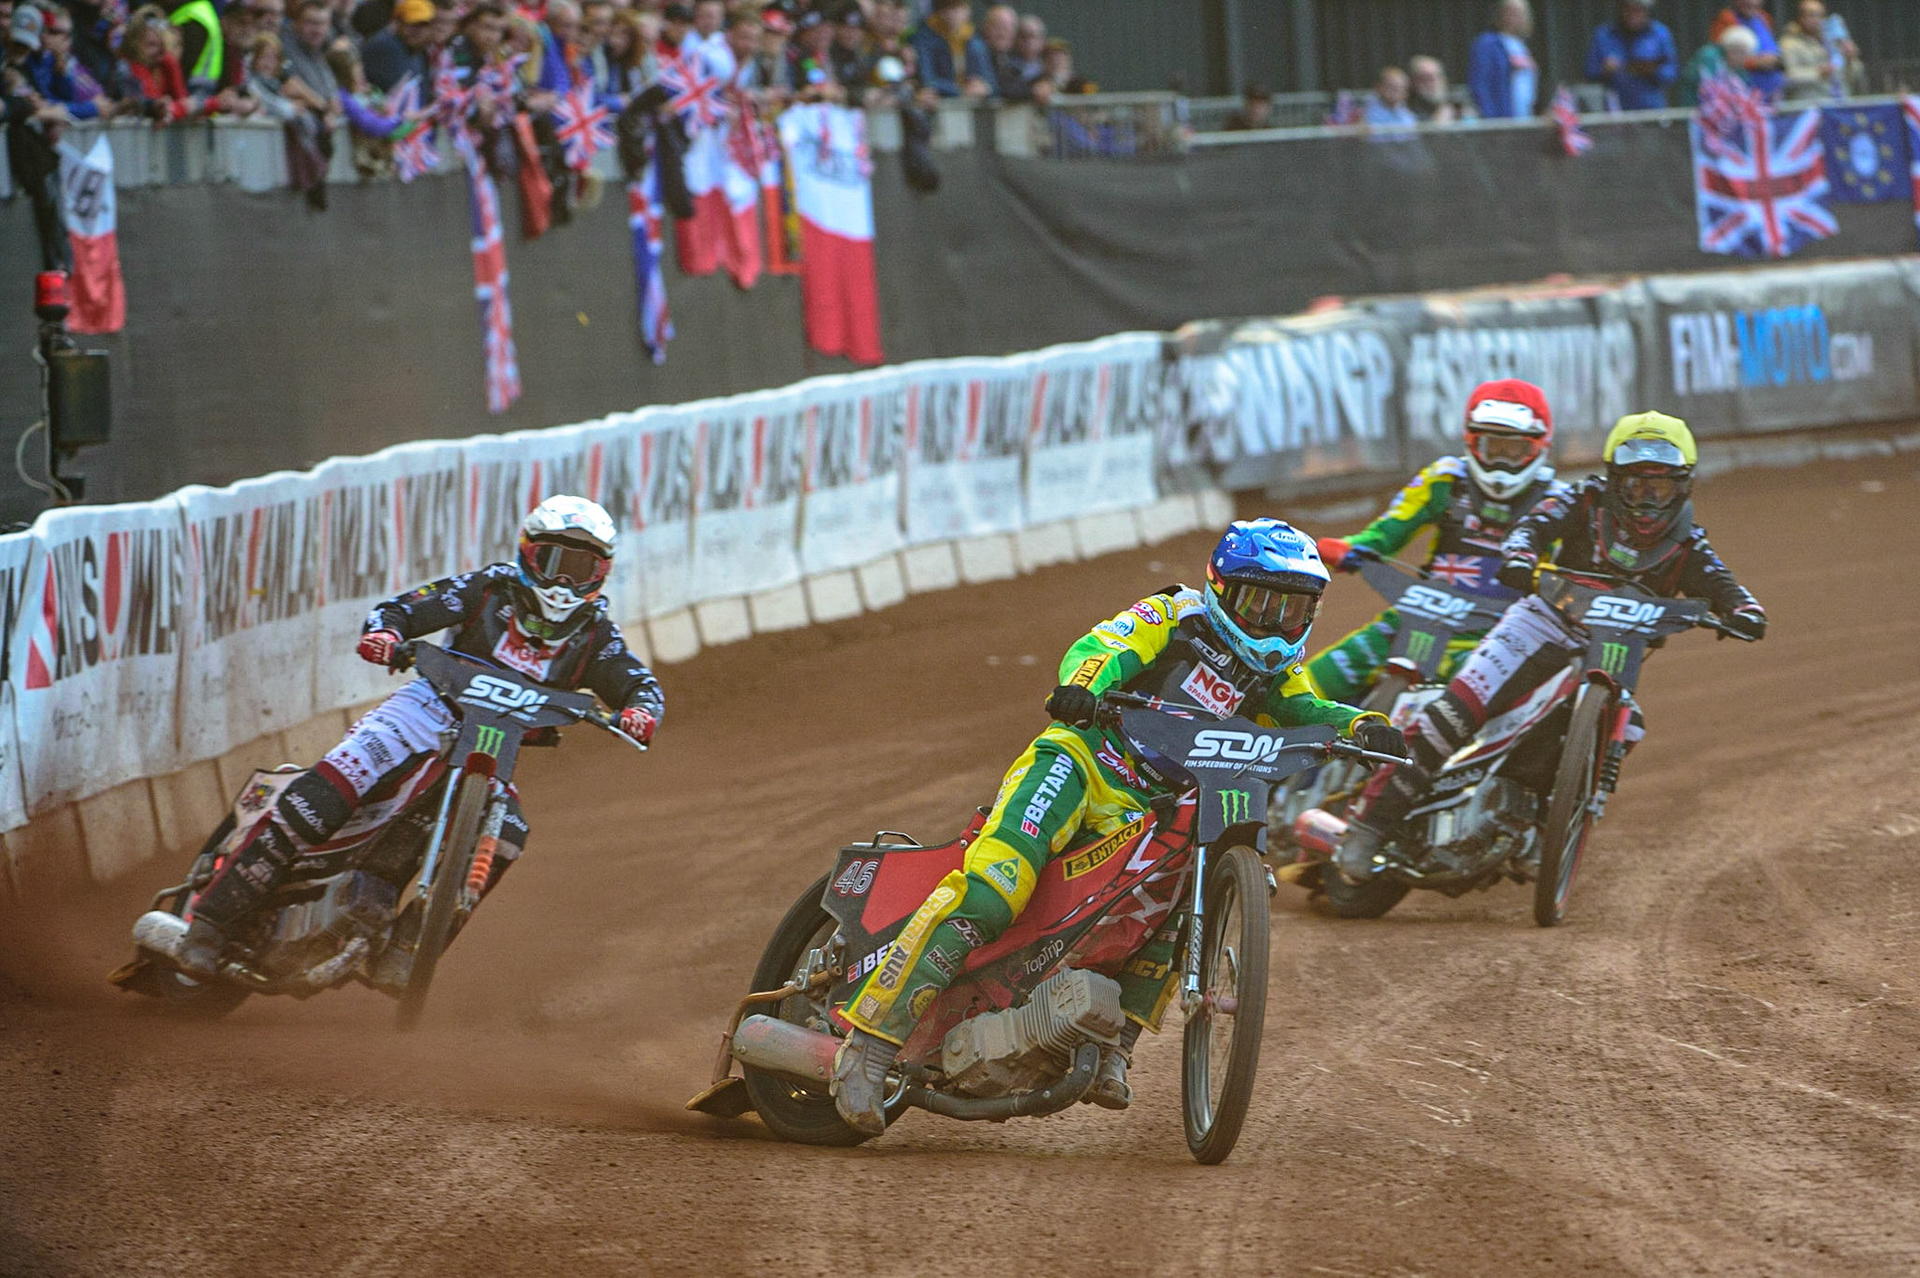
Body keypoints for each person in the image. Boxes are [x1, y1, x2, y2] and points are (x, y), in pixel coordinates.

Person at [829, 520, 1408, 1134]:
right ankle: (869, 1046)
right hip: (1083, 763)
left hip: (1155, 807)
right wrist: (1082, 689)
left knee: (1181, 897)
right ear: (1223, 588)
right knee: (994, 889)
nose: (1274, 621)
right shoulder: (1175, 614)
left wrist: (1361, 725)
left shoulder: (1273, 673)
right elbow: (1100, 650)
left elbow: (1305, 709)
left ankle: (1114, 1046)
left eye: (1292, 608)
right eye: (1261, 601)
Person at [176, 497, 665, 980]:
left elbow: (637, 681)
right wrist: (386, 633)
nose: (564, 581)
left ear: (601, 573)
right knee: (335, 784)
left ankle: (408, 950)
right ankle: (210, 924)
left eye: (581, 568)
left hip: (496, 743)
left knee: (509, 835)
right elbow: (406, 608)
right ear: (529, 554)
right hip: (426, 712)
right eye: (556, 562)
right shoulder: (488, 589)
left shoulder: (597, 636)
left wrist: (642, 710)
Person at [1332, 413, 1767, 884]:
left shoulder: (1688, 541)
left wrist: (1744, 609)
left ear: (1683, 486)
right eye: (1637, 486)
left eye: (1659, 489)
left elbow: (1722, 582)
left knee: (1629, 726)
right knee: (1454, 711)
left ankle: (1537, 827)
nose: (1646, 501)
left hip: (1610, 651)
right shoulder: (1582, 499)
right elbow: (1533, 525)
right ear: (1614, 479)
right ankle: (1367, 826)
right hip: (1541, 624)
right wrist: (1519, 553)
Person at [1307, 380, 1566, 706]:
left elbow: (1568, 576)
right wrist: (1352, 547)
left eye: (1513, 450)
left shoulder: (1558, 503)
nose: (1501, 461)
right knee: (1313, 683)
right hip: (1416, 617)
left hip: (1493, 640)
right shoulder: (1444, 479)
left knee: (1476, 711)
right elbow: (1389, 530)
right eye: (1492, 447)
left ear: (1539, 447)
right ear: (1472, 443)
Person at [1583, 0, 1677, 111]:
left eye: (1638, 10)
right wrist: (1605, 70)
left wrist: (1651, 70)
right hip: (1615, 110)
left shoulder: (1660, 34)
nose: (1633, 14)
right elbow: (1589, 71)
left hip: (1651, 108)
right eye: (1629, 9)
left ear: (1646, 11)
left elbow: (1671, 72)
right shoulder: (1604, 35)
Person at [1780, 0, 1862, 102]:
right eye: (1811, 15)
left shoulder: (1834, 41)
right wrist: (1818, 73)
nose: (1817, 20)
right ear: (1800, 17)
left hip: (1839, 106)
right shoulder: (1789, 43)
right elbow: (1788, 76)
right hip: (1810, 108)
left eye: (1821, 16)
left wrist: (1850, 59)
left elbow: (1853, 77)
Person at [1468, 0, 1536, 119]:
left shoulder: (1521, 45)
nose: (1514, 17)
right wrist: (1491, 118)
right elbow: (1479, 84)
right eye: (1509, 12)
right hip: (1501, 118)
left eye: (1519, 13)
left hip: (1524, 115)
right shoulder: (1487, 43)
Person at [910, 0, 988, 98]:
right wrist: (960, 90)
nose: (955, 14)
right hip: (942, 102)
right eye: (951, 9)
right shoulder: (924, 39)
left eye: (961, 8)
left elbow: (989, 79)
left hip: (971, 104)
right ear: (940, 12)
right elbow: (927, 79)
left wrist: (984, 87)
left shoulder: (974, 40)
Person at [1708, 0, 1783, 101]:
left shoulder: (1764, 18)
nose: (1751, 2)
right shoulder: (1726, 19)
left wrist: (1776, 61)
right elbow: (1721, 60)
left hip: (1774, 94)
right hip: (1742, 96)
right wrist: (1756, 63)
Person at [359, 0, 433, 91]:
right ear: (397, 22)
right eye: (412, 24)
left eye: (423, 25)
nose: (418, 31)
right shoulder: (386, 47)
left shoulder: (417, 52)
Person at [1680, 20, 1754, 105]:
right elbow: (1708, 87)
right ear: (1734, 49)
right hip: (1697, 107)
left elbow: (1745, 86)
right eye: (1743, 54)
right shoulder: (1709, 57)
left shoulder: (1736, 66)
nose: (1744, 60)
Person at [1361, 64, 1417, 132]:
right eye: (1391, 87)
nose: (1395, 92)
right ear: (1379, 87)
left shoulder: (1408, 113)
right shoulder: (1367, 111)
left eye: (1400, 88)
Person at [1407, 55, 1457, 123]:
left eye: (1437, 76)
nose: (1433, 83)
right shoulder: (1407, 109)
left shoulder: (1457, 101)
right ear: (1413, 81)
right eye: (1426, 78)